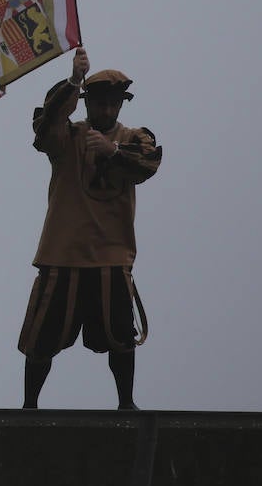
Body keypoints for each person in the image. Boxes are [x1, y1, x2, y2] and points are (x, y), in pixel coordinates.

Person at [18, 47, 162, 409]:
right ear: (87, 103)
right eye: (100, 103)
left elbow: (148, 165)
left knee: (120, 336)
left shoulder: (134, 139)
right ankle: (29, 406)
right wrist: (74, 79)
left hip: (110, 256)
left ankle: (126, 403)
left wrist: (112, 151)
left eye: (114, 104)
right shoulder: (67, 137)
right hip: (62, 254)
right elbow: (43, 127)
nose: (108, 111)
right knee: (41, 339)